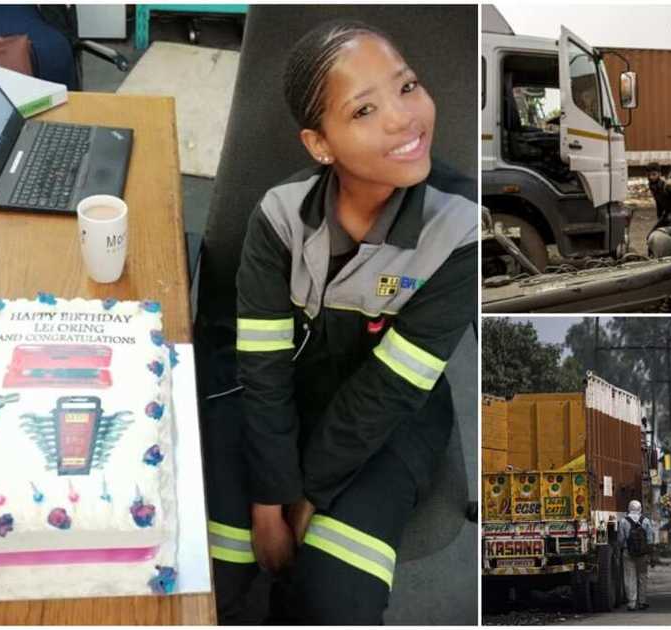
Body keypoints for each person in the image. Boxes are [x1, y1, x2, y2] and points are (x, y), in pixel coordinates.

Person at [204, 20, 476, 624]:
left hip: (386, 424)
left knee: (336, 597)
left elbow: (390, 391)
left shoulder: (461, 231)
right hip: (276, 401)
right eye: (363, 110)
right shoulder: (278, 220)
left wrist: (307, 498)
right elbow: (264, 369)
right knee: (207, 571)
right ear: (319, 144)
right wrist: (270, 498)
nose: (405, 119)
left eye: (408, 88)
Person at [618, 500, 655, 611]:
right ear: (640, 509)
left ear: (629, 508)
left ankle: (631, 603)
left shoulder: (623, 521)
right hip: (642, 554)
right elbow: (649, 540)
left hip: (628, 553)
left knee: (630, 577)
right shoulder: (646, 521)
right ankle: (642, 602)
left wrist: (623, 547)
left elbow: (620, 539)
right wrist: (650, 554)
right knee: (642, 577)